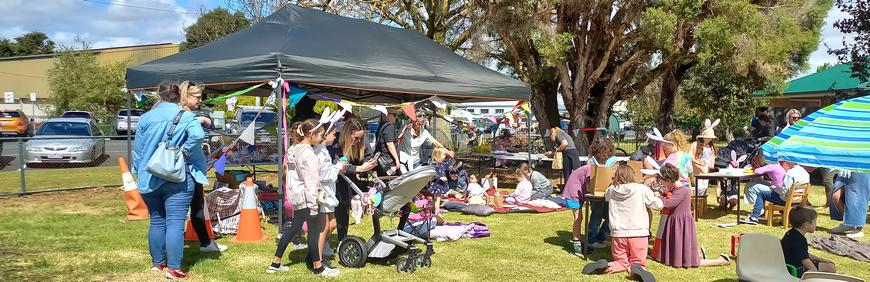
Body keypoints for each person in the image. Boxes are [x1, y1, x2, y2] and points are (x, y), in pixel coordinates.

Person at [133, 81, 205, 279]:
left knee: (156, 220)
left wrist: (138, 171)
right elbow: (198, 136)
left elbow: (138, 151)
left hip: (149, 175)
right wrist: (183, 151)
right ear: (178, 96)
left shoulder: (145, 118)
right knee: (175, 222)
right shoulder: (186, 116)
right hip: (177, 176)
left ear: (159, 96)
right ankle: (174, 268)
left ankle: (158, 263)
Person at [268, 119, 339, 277]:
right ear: (312, 135)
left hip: (296, 195)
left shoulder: (294, 148)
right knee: (315, 232)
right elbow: (311, 182)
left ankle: (275, 263)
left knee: (292, 228)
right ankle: (318, 267)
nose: (322, 138)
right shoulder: (309, 154)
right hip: (307, 197)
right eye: (320, 135)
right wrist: (314, 206)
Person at [582, 164, 662, 282]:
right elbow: (658, 206)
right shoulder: (642, 189)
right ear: (632, 175)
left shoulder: (611, 190)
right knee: (638, 261)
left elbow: (607, 197)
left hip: (618, 233)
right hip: (638, 232)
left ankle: (607, 267)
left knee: (620, 261)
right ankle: (637, 271)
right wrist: (656, 195)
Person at [176, 81, 227, 254]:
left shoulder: (182, 112)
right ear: (186, 96)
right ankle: (202, 243)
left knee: (194, 205)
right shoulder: (184, 114)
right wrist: (200, 120)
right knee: (191, 206)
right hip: (186, 168)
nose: (200, 100)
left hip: (187, 167)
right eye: (197, 97)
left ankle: (204, 242)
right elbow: (193, 136)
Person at [653, 164, 730, 268]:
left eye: (661, 181)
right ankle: (697, 253)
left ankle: (720, 261)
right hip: (675, 221)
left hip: (680, 223)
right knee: (680, 249)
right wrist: (661, 191)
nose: (660, 183)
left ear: (668, 180)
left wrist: (658, 197)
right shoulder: (675, 188)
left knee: (691, 261)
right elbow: (668, 192)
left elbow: (669, 203)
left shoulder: (683, 190)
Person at [562, 137, 617, 252]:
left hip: (583, 191)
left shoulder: (602, 166)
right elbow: (589, 187)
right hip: (573, 192)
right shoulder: (591, 168)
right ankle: (578, 245)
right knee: (578, 218)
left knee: (608, 214)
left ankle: (599, 237)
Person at [335, 118, 378, 242]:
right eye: (355, 138)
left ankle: (342, 239)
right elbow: (336, 164)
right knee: (340, 209)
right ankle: (340, 239)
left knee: (349, 208)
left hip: (355, 179)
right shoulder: (337, 142)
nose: (359, 140)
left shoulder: (362, 141)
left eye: (361, 137)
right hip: (338, 179)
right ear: (347, 135)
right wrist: (358, 168)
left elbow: (368, 156)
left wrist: (370, 163)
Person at [314, 122, 348, 262]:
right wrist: (338, 167)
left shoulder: (324, 150)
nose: (335, 138)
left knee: (332, 224)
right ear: (325, 134)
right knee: (324, 227)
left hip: (328, 193)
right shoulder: (320, 152)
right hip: (323, 194)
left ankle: (317, 251)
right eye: (334, 134)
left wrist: (336, 167)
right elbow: (324, 174)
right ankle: (317, 258)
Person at [741, 160, 810, 225]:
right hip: (798, 199)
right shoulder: (805, 173)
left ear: (790, 162)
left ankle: (753, 217)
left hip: (786, 200)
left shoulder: (790, 173)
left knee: (761, 193)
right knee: (769, 193)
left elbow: (783, 191)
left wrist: (774, 189)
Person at [781, 206, 837, 276]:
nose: (816, 224)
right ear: (806, 225)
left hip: (785, 265)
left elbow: (802, 254)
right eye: (815, 222)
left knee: (830, 266)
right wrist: (815, 273)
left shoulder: (790, 233)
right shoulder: (800, 240)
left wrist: (820, 259)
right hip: (795, 269)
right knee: (831, 267)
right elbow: (805, 260)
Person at [743, 152, 785, 216]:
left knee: (749, 185)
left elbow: (757, 171)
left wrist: (752, 168)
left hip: (776, 189)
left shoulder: (771, 166)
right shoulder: (777, 165)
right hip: (778, 187)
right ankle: (760, 205)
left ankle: (758, 208)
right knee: (757, 180)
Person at [830, 171, 868, 238]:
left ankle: (859, 230)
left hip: (861, 167)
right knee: (836, 196)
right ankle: (848, 223)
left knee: (858, 198)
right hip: (846, 166)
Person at [688, 119, 718, 196]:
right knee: (698, 189)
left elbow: (713, 157)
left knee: (704, 189)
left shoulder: (711, 146)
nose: (709, 140)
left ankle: (702, 205)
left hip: (707, 171)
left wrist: (711, 166)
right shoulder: (695, 145)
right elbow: (690, 157)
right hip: (698, 171)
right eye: (707, 138)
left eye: (711, 138)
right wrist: (700, 163)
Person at [427, 147, 457, 214]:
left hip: (440, 184)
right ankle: (437, 212)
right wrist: (439, 178)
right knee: (437, 199)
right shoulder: (434, 164)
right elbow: (431, 174)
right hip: (437, 184)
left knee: (436, 198)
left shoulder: (441, 164)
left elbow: (448, 164)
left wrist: (451, 157)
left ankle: (433, 210)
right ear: (437, 155)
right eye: (443, 154)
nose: (445, 156)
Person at [375, 110, 400, 176]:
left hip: (381, 161)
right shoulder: (389, 127)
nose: (396, 117)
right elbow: (389, 143)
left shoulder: (381, 127)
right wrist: (397, 160)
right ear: (388, 115)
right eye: (394, 115)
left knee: (383, 182)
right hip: (388, 161)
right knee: (393, 182)